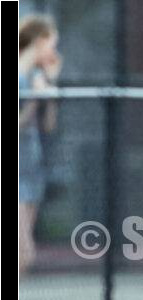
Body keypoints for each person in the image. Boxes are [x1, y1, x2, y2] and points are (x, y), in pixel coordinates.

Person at [19, 15, 61, 274]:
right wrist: (34, 99)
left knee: (22, 260)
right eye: (51, 44)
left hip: (30, 171)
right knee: (25, 253)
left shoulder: (36, 77)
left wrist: (51, 88)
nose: (54, 51)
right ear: (37, 42)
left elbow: (48, 126)